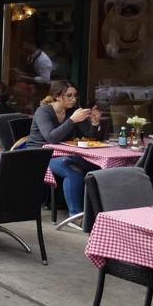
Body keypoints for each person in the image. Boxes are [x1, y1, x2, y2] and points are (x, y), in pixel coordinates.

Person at [26, 79, 111, 216]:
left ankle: (96, 211)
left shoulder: (72, 111)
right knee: (72, 171)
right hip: (39, 155)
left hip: (63, 154)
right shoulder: (43, 112)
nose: (73, 99)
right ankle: (75, 215)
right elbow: (51, 137)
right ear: (57, 96)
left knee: (95, 166)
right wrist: (72, 120)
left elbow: (90, 136)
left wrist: (95, 123)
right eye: (69, 96)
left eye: (75, 95)